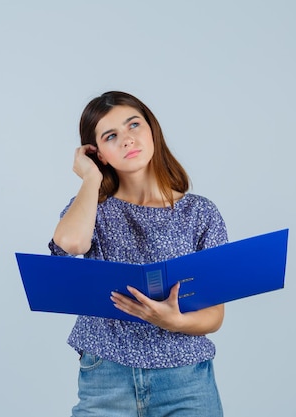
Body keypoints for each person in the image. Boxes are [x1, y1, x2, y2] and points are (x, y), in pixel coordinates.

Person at [49, 91, 228, 416]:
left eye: (134, 125)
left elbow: (215, 315)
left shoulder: (199, 213)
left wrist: (173, 321)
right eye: (111, 136)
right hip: (106, 376)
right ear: (98, 152)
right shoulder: (93, 210)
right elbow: (70, 244)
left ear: (152, 130)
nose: (127, 139)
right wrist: (91, 179)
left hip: (186, 380)